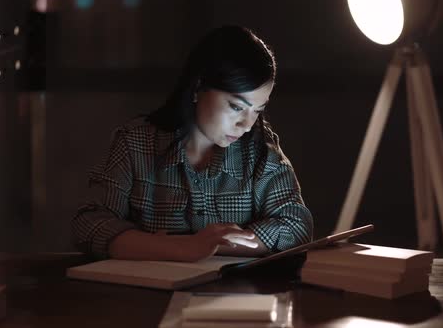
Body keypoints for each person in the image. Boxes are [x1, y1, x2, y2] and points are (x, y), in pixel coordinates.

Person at [71, 25, 313, 262]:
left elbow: (297, 227)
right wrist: (180, 247)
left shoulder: (260, 151)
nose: (247, 124)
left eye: (258, 110)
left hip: (232, 297)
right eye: (237, 107)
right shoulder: (135, 143)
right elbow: (88, 224)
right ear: (198, 88)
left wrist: (212, 246)